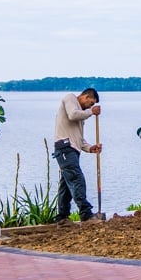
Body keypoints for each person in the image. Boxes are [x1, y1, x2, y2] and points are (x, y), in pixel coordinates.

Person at [52, 88, 102, 223]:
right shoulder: (70, 98)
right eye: (90, 103)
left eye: (92, 106)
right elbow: (73, 115)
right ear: (85, 96)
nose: (90, 106)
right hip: (65, 147)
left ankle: (62, 217)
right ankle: (86, 214)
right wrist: (91, 112)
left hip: (73, 149)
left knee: (66, 185)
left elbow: (79, 138)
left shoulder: (81, 114)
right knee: (76, 179)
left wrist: (90, 148)